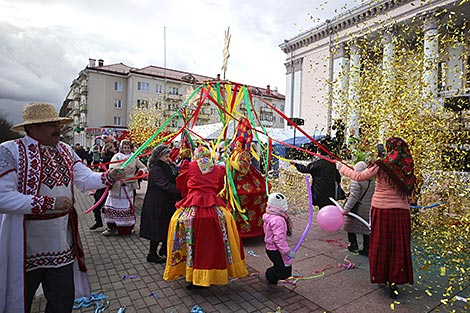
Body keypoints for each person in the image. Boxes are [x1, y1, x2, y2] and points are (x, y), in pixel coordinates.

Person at [0, 102, 123, 313]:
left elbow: (84, 179)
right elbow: (3, 196)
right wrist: (47, 203)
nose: (57, 128)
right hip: (24, 243)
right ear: (31, 128)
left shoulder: (65, 150)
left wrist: (108, 176)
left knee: (62, 301)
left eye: (57, 123)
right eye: (50, 124)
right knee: (19, 301)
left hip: (61, 243)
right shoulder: (9, 151)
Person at [337, 137, 416, 299]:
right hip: (401, 214)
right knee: (398, 247)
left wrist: (340, 167)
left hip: (382, 211)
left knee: (382, 245)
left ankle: (382, 276)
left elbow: (359, 177)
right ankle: (395, 280)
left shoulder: (382, 164)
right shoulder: (407, 167)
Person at [163, 146, 248, 289]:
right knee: (217, 240)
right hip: (213, 207)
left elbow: (182, 185)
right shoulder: (217, 168)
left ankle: (191, 273)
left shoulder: (189, 166)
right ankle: (212, 272)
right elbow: (219, 186)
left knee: (183, 232)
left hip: (193, 205)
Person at [227, 118, 270, 238]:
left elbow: (243, 169)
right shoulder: (235, 153)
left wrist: (230, 163)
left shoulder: (245, 154)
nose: (236, 146)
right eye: (235, 144)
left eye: (238, 145)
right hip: (234, 181)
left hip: (245, 180)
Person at [140, 145, 181, 263]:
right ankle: (152, 254)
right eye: (166, 157)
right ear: (159, 157)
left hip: (165, 202)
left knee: (165, 226)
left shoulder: (166, 166)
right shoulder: (156, 169)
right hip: (156, 203)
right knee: (156, 228)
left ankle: (163, 249)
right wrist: (181, 191)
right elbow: (165, 184)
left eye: (169, 156)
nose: (169, 159)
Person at [102, 140, 147, 236]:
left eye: (128, 148)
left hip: (128, 186)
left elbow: (144, 167)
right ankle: (112, 227)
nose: (126, 150)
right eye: (124, 148)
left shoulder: (134, 158)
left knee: (126, 206)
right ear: (121, 148)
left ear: (131, 148)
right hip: (117, 186)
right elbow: (111, 168)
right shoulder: (117, 156)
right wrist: (116, 171)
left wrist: (140, 172)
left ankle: (125, 229)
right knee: (113, 205)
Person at [291, 138, 341, 209]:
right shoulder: (332, 164)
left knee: (322, 208)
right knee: (328, 207)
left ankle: (324, 219)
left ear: (319, 153)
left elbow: (305, 169)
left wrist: (296, 164)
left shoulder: (317, 164)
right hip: (330, 190)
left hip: (320, 190)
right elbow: (337, 176)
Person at [259, 192, 295, 287]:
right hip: (275, 249)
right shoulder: (278, 220)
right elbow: (279, 239)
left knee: (280, 266)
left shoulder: (270, 215)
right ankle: (267, 276)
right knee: (284, 271)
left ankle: (272, 283)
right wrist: (287, 251)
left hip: (271, 248)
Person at [341, 161, 375, 255]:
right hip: (368, 206)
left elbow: (353, 197)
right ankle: (366, 248)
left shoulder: (357, 181)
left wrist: (346, 210)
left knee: (350, 225)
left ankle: (353, 244)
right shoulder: (372, 180)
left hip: (357, 208)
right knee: (365, 227)